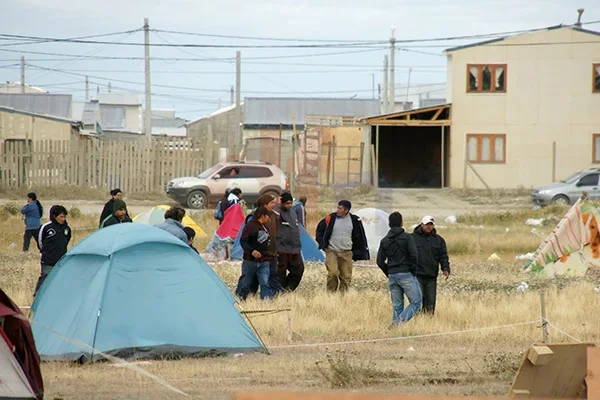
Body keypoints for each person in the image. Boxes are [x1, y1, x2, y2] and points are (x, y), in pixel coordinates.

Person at [377, 212, 422, 327]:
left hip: (392, 275)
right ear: (401, 223)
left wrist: (388, 272)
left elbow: (380, 261)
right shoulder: (407, 237)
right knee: (416, 303)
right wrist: (412, 270)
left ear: (389, 223)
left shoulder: (384, 240)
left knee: (397, 306)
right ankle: (396, 325)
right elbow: (414, 255)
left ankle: (396, 332)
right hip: (406, 273)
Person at [315, 200, 369, 292]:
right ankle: (331, 294)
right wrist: (323, 245)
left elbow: (360, 237)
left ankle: (343, 296)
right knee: (333, 273)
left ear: (346, 210)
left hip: (347, 252)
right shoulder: (330, 218)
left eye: (340, 208)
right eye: (337, 208)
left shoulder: (354, 220)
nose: (338, 210)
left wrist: (358, 252)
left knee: (346, 276)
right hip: (332, 251)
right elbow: (319, 230)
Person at [412, 215, 451, 315]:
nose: (429, 227)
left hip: (431, 276)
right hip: (417, 275)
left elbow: (443, 256)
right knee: (418, 301)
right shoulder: (412, 238)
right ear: (421, 225)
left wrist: (445, 268)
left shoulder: (439, 240)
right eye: (427, 224)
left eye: (431, 224)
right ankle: (418, 322)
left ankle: (428, 323)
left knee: (430, 303)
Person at [237, 206, 274, 300]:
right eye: (268, 216)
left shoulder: (265, 227)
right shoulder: (250, 226)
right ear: (262, 216)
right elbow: (243, 241)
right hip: (250, 261)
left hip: (264, 260)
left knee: (265, 283)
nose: (269, 219)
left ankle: (266, 301)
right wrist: (252, 251)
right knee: (246, 283)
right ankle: (241, 299)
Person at [35, 205, 71, 296]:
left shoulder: (66, 229)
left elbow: (67, 240)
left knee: (60, 280)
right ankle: (38, 296)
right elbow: (40, 241)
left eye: (64, 217)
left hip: (61, 260)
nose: (63, 219)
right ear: (54, 216)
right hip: (48, 259)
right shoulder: (46, 227)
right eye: (61, 217)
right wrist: (45, 252)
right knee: (45, 278)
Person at [276, 192, 304, 291]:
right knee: (280, 272)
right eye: (287, 203)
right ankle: (279, 291)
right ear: (281, 202)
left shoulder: (293, 212)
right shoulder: (276, 213)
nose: (290, 205)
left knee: (298, 270)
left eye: (291, 203)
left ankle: (287, 289)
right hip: (281, 248)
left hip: (294, 248)